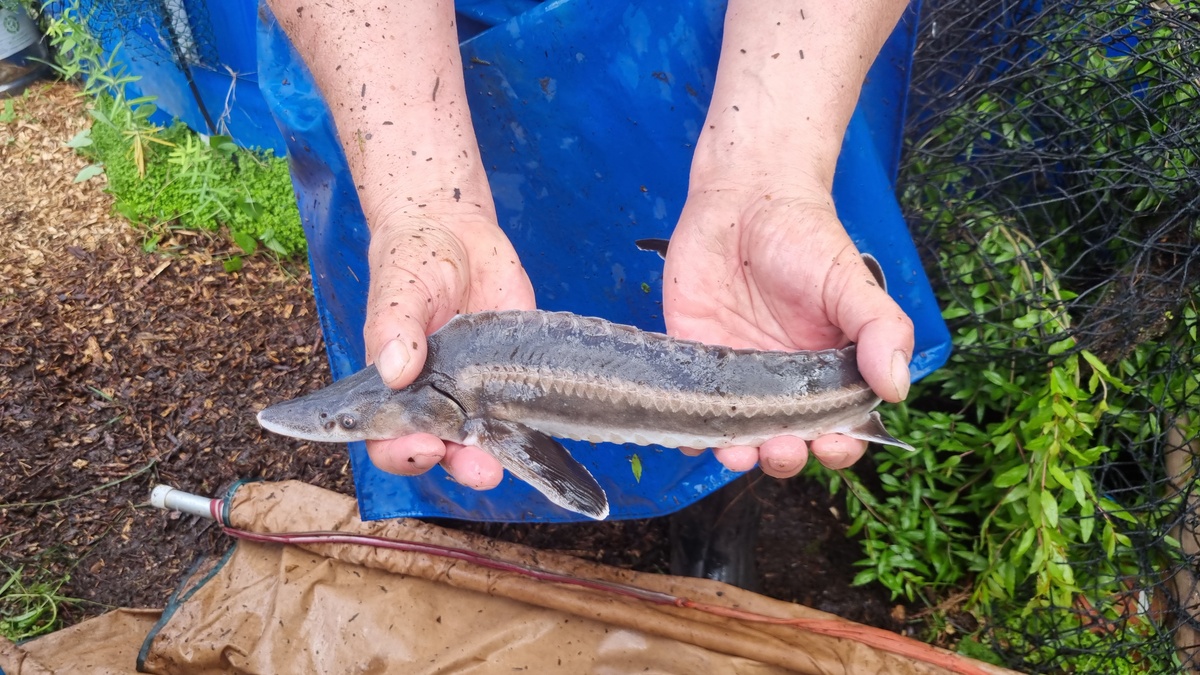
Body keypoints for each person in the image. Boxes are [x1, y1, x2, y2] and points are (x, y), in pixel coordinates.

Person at [264, 0, 915, 498]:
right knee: (444, 415)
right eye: (345, 423)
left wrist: (770, 172)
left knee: (735, 428)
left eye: (349, 424)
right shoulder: (448, 381)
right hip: (410, 77)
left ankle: (712, 517)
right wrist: (423, 202)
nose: (346, 426)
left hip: (743, 59)